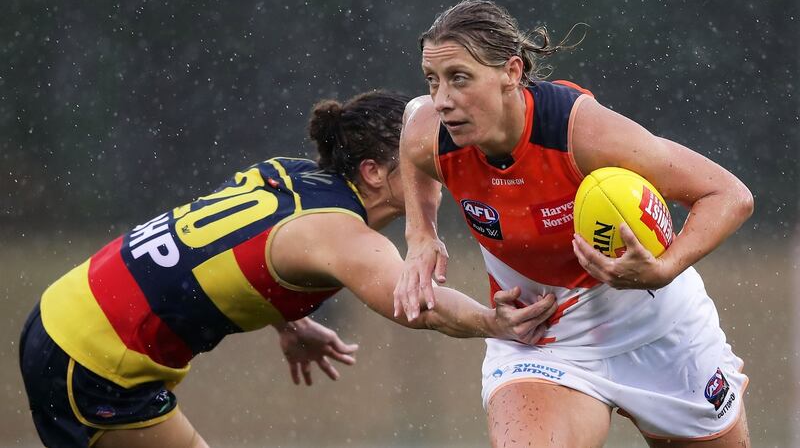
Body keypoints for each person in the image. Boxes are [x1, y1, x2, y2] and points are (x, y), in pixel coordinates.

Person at [19, 90, 558, 448]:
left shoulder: (293, 176)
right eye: (421, 159)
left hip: (65, 314)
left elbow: (226, 247)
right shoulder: (341, 235)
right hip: (93, 361)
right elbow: (415, 301)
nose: (436, 168)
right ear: (373, 172)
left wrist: (289, 320)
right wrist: (494, 322)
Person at [393, 0, 755, 447]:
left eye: (460, 78)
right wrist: (420, 234)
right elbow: (411, 141)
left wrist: (664, 267)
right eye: (433, 81)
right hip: (544, 338)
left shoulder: (581, 132)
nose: (443, 100)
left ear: (510, 71)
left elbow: (729, 195)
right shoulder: (431, 131)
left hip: (659, 328)